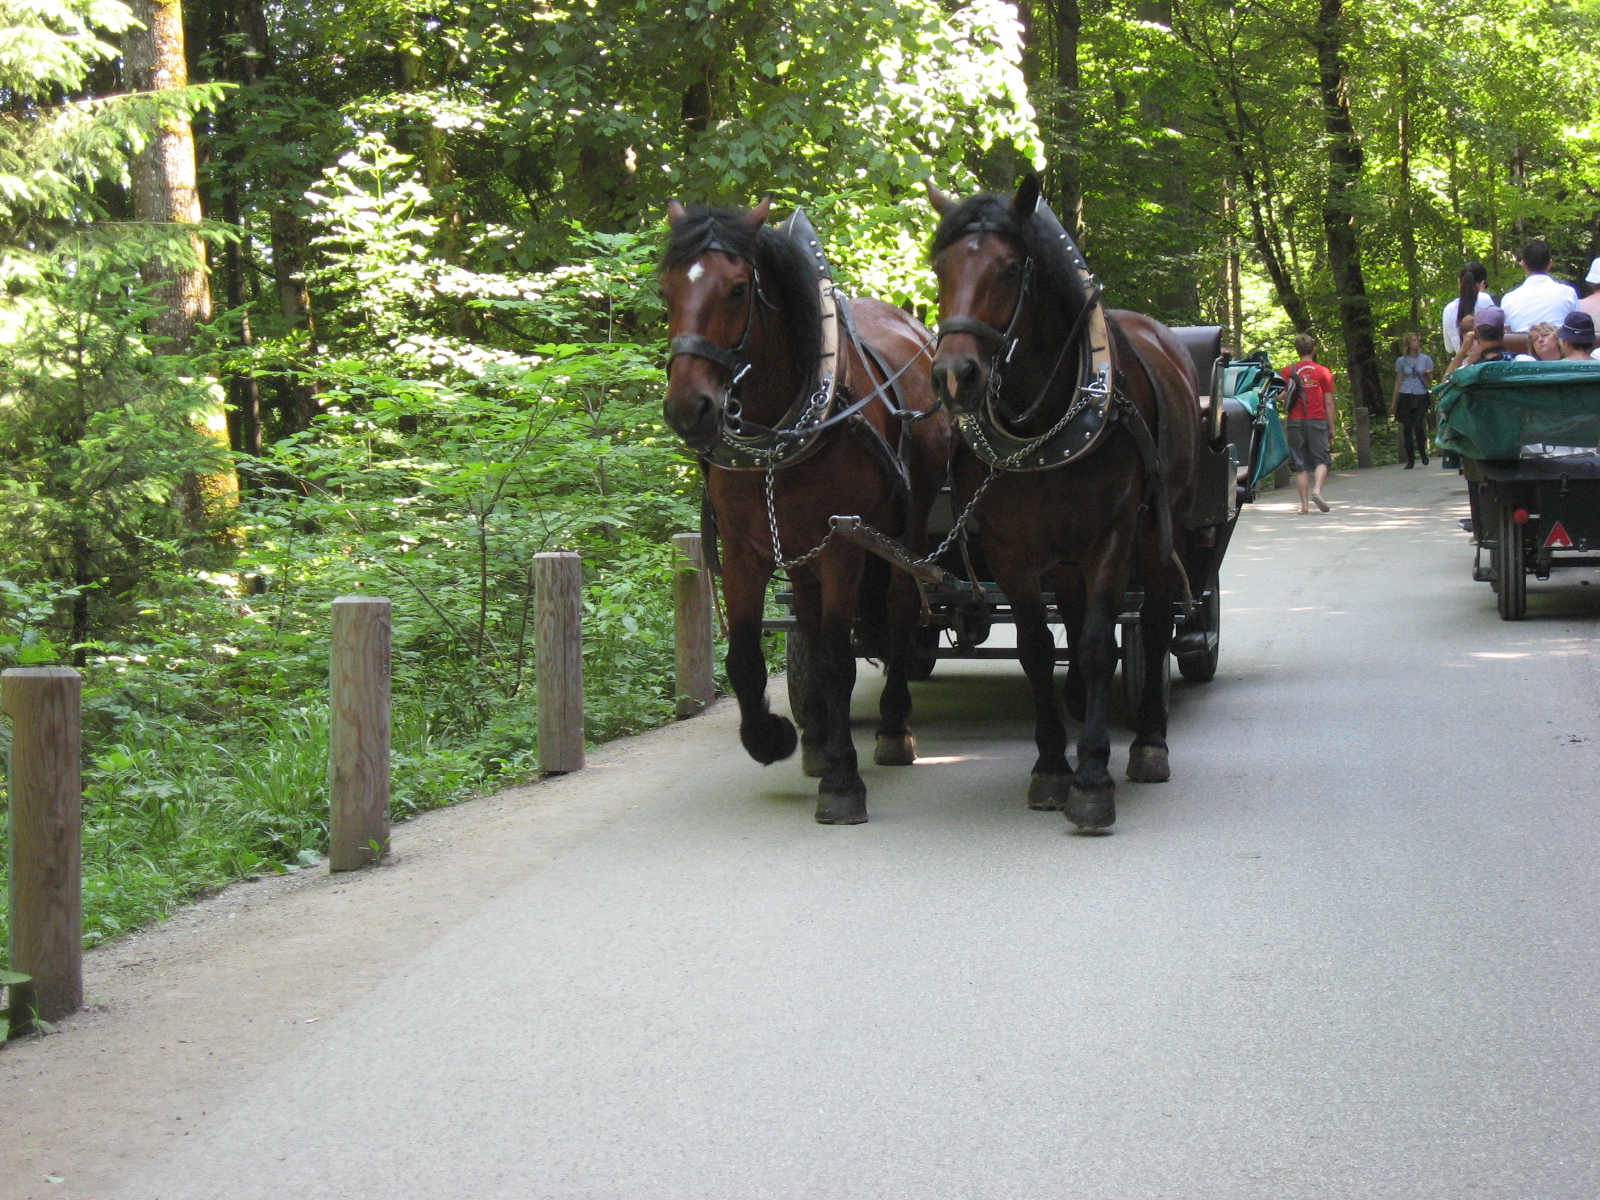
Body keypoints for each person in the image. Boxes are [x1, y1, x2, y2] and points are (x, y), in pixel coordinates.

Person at [1281, 333, 1337, 513]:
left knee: (1300, 465)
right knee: (1322, 460)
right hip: (1317, 420)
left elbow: (1280, 396)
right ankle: (1317, 491)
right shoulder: (1323, 371)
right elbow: (1329, 402)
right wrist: (1331, 427)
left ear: (1297, 351)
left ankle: (1304, 505)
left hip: (1295, 420)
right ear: (1314, 350)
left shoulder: (1288, 371)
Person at [1499, 239, 1578, 331]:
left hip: (1523, 341)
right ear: (1550, 264)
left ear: (1524, 264)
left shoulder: (1508, 299)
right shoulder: (1567, 293)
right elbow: (1576, 327)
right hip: (1558, 340)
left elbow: (1508, 332)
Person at [1390, 332, 1433, 468]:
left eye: (1417, 340)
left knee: (1419, 425)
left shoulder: (1425, 359)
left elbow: (1430, 381)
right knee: (1407, 427)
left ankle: (1422, 452)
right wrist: (1394, 402)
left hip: (1420, 394)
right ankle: (1410, 459)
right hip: (1406, 394)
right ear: (1408, 344)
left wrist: (1427, 374)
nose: (1417, 343)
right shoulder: (1401, 361)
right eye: (1414, 340)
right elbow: (1398, 381)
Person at [1443, 306, 1513, 379]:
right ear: (1503, 330)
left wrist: (1462, 351)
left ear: (1476, 332)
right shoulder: (1517, 361)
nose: (1471, 344)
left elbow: (1445, 383)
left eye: (1474, 338)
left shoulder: (1466, 373)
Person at [1442, 261, 1493, 355]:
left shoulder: (1448, 309)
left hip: (1462, 362)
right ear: (1482, 283)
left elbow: (1449, 348)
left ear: (1459, 282)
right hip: (1486, 361)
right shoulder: (1485, 299)